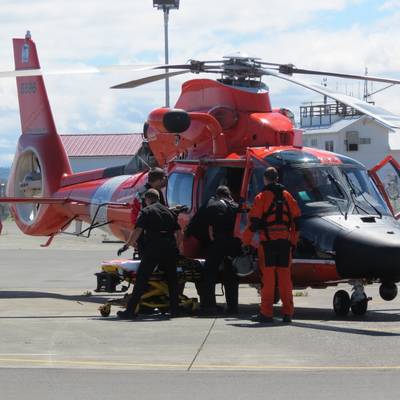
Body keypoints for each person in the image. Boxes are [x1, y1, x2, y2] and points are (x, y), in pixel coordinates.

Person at [243, 167, 301, 323]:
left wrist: (245, 242)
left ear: (265, 179)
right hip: (285, 244)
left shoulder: (261, 197)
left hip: (268, 244)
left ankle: (266, 313)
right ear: (277, 178)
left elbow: (254, 223)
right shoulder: (288, 196)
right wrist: (293, 242)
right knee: (285, 279)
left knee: (268, 280)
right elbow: (297, 221)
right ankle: (288, 313)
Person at [116, 189, 181, 319]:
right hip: (169, 248)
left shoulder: (146, 211)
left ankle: (130, 311)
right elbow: (180, 234)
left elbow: (138, 230)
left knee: (142, 279)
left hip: (154, 248)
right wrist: (176, 248)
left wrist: (126, 245)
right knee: (172, 280)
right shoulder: (169, 211)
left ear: (147, 199)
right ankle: (175, 310)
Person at [199, 185, 242, 315]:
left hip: (218, 242)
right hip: (233, 244)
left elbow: (210, 229)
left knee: (209, 273)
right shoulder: (236, 207)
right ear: (229, 195)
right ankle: (233, 307)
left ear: (218, 195)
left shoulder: (213, 206)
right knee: (232, 276)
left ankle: (209, 305)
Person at [118, 167, 167, 257]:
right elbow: (147, 216)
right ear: (158, 180)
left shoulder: (146, 191)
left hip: (147, 233)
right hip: (147, 235)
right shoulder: (149, 194)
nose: (165, 181)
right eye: (164, 179)